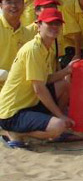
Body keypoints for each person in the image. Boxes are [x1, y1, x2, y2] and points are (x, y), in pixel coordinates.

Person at [0, 9, 74, 148]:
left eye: (57, 23)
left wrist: (67, 70)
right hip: (12, 112)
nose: (54, 27)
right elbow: (39, 89)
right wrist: (60, 115)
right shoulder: (33, 49)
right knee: (58, 126)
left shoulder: (46, 47)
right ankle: (14, 133)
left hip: (29, 104)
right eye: (50, 23)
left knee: (64, 85)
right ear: (38, 25)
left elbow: (45, 79)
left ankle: (48, 125)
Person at [0, 0, 36, 90]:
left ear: (24, 5)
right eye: (8, 1)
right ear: (1, 6)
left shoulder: (28, 34)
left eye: (17, 0)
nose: (14, 5)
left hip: (18, 89)